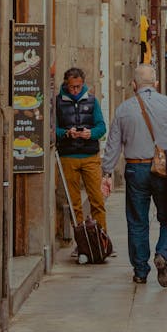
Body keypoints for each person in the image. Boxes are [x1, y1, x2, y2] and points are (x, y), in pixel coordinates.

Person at [101, 64, 167, 287]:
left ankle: (140, 270)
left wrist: (106, 171)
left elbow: (113, 146)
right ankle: (163, 253)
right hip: (164, 170)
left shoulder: (123, 109)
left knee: (137, 220)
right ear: (155, 83)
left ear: (134, 84)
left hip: (136, 169)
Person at [55, 67, 109, 249]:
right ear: (66, 84)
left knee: (97, 200)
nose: (75, 90)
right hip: (68, 156)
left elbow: (102, 127)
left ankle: (102, 241)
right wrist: (66, 133)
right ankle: (82, 243)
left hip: (90, 156)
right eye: (72, 87)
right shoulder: (58, 102)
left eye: (78, 87)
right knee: (74, 203)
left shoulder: (92, 101)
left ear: (83, 84)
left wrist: (90, 133)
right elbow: (51, 130)